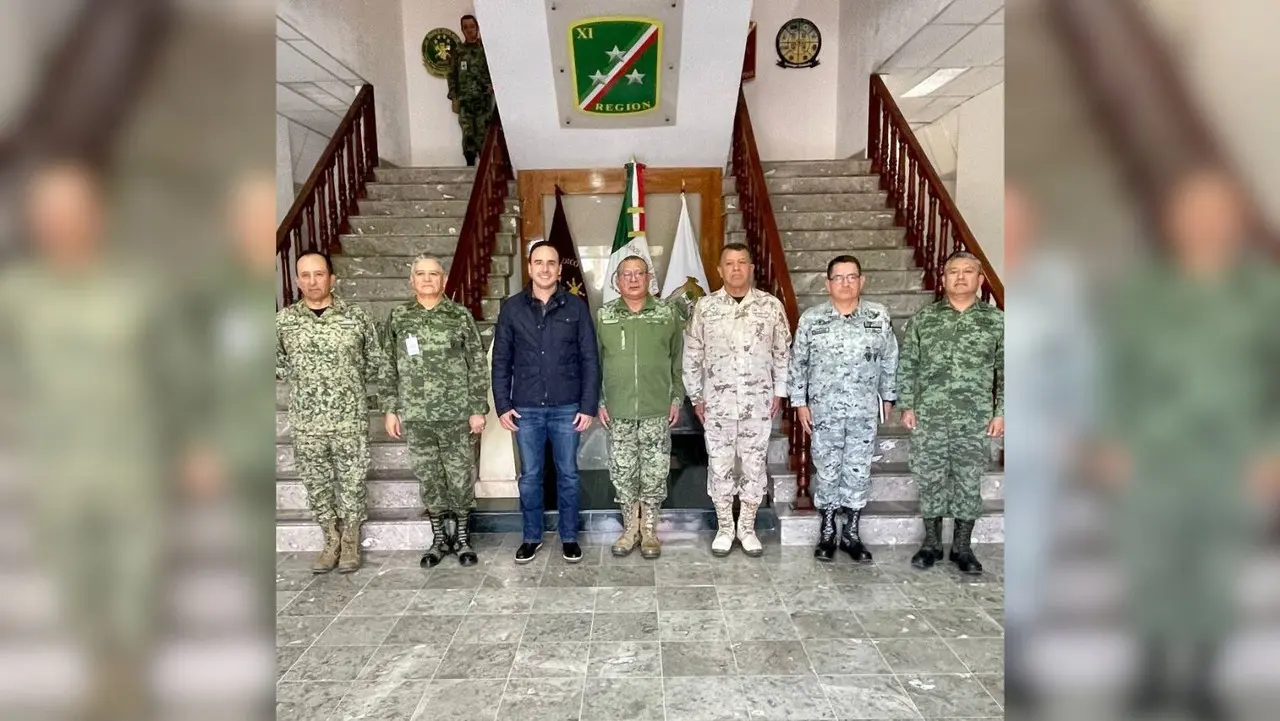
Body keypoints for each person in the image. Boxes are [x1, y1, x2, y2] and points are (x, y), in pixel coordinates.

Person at [275, 251, 390, 573]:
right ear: (298, 280)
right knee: (317, 482)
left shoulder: (356, 317)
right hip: (306, 419)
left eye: (319, 274)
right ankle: (330, 539)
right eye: (306, 275)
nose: (313, 281)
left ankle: (350, 540)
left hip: (349, 417)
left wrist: (349, 383)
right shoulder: (283, 321)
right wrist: (302, 376)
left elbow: (375, 360)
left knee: (352, 480)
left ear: (332, 278)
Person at [492, 240, 599, 564]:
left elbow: (589, 359)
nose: (545, 268)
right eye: (538, 262)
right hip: (526, 409)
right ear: (529, 268)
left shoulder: (576, 307)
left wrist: (587, 405)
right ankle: (531, 537)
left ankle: (569, 537)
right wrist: (502, 403)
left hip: (567, 407)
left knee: (568, 474)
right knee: (531, 476)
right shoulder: (512, 308)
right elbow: (501, 360)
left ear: (559, 268)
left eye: (551, 262)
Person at [898, 250, 1004, 575]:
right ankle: (931, 544)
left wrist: (1003, 412)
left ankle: (962, 547)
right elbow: (908, 365)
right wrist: (907, 404)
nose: (960, 277)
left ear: (980, 279)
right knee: (930, 479)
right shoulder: (924, 320)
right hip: (929, 416)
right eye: (953, 272)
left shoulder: (997, 322)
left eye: (967, 271)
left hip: (974, 419)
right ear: (943, 279)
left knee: (968, 480)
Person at [380, 255, 489, 568]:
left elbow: (476, 364)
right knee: (429, 479)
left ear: (443, 280)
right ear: (412, 280)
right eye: (421, 274)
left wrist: (477, 408)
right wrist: (389, 408)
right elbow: (388, 365)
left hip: (456, 415)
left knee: (459, 478)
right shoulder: (399, 317)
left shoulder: (459, 316)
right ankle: (440, 539)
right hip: (416, 416)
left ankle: (464, 539)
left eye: (434, 274)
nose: (427, 279)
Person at [683, 243, 791, 556]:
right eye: (729, 263)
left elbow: (782, 352)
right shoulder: (705, 308)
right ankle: (725, 527)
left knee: (754, 467)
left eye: (742, 262)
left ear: (751, 267)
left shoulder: (770, 306)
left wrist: (780, 392)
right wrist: (696, 396)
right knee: (719, 467)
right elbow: (692, 354)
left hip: (758, 404)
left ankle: (746, 527)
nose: (736, 268)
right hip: (717, 405)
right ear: (719, 270)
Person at [789, 255, 898, 563]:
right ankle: (827, 532)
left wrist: (888, 396)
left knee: (858, 469)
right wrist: (799, 402)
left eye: (852, 277)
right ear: (828, 283)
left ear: (861, 281)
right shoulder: (812, 319)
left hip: (864, 410)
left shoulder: (878, 316)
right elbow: (799, 363)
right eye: (839, 277)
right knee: (827, 469)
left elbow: (890, 358)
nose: (846, 283)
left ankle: (850, 533)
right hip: (824, 411)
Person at [596, 256, 684, 559]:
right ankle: (629, 529)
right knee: (623, 474)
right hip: (617, 411)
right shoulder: (604, 315)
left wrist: (676, 399)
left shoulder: (667, 313)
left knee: (655, 474)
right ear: (617, 281)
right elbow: (593, 362)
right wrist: (599, 400)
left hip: (656, 410)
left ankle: (649, 531)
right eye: (626, 274)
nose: (633, 280)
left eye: (639, 274)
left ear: (649, 278)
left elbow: (678, 361)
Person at [448, 14, 494, 167]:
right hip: (465, 100)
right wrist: (454, 95)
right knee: (467, 133)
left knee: (483, 134)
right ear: (462, 29)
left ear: (478, 28)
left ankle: (484, 165)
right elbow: (451, 74)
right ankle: (470, 165)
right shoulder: (458, 51)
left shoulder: (486, 49)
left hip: (484, 100)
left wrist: (494, 85)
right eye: (465, 27)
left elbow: (497, 69)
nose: (469, 30)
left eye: (472, 27)